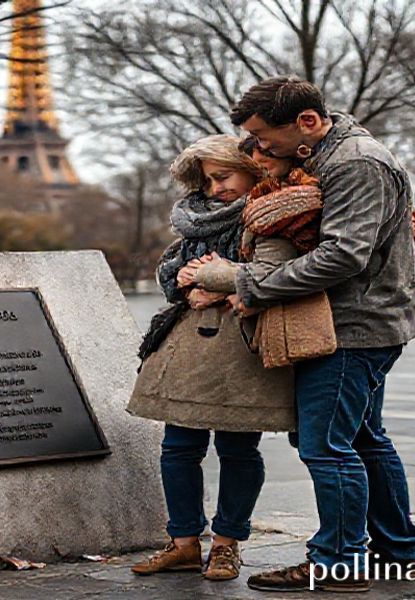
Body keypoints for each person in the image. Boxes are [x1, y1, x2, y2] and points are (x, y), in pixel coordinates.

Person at [201, 76, 415, 593]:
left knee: (325, 445)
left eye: (264, 135)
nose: (259, 148)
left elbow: (343, 256)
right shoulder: (334, 153)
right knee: (363, 439)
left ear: (306, 121)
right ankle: (397, 552)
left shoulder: (354, 162)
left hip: (351, 326)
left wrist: (249, 282)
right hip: (364, 321)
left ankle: (339, 562)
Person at [128, 135, 297, 582]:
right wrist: (184, 280)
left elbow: (275, 271)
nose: (215, 187)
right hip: (187, 342)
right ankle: (183, 542)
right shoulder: (195, 220)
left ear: (248, 168)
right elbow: (172, 267)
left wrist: (214, 279)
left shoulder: (273, 211)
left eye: (223, 176)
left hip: (242, 346)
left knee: (239, 448)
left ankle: (226, 544)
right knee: (179, 448)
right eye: (207, 180)